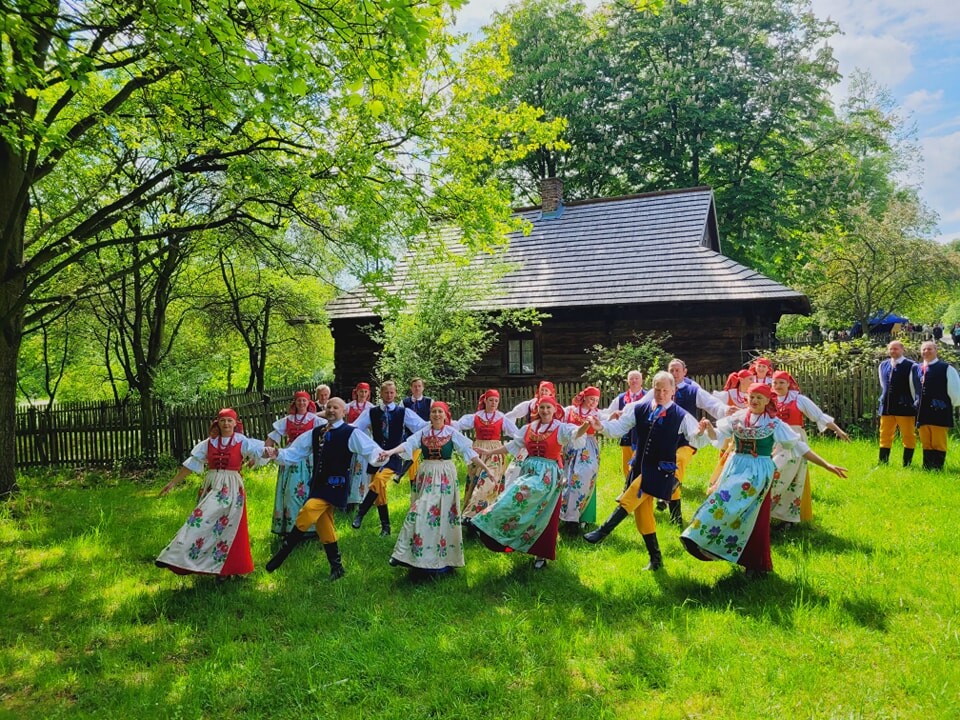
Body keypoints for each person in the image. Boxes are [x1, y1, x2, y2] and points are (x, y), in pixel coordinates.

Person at [681, 384, 847, 576]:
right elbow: (717, 437)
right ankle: (701, 539)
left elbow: (799, 447)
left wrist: (828, 465)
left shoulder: (774, 424)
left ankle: (755, 564)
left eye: (760, 397)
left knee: (753, 517)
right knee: (720, 503)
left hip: (759, 472)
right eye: (752, 396)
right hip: (735, 467)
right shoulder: (737, 418)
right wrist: (708, 428)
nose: (755, 401)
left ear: (768, 400)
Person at [583, 372, 708, 571]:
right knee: (643, 515)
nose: (660, 394)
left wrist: (701, 432)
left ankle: (604, 530)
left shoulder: (681, 415)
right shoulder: (638, 408)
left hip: (661, 471)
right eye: (657, 389)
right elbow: (617, 428)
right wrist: (601, 427)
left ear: (673, 391)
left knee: (633, 492)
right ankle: (656, 559)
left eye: (665, 390)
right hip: (640, 466)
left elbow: (697, 438)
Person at [263, 398, 388, 580]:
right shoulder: (316, 432)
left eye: (335, 407)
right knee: (324, 525)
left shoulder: (350, 432)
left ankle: (283, 553)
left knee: (308, 510)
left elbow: (370, 449)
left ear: (344, 412)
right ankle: (337, 568)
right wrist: (278, 453)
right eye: (328, 407)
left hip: (335, 486)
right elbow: (297, 451)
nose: (331, 410)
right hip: (318, 484)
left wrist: (381, 457)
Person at [471, 395, 590, 570]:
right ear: (537, 410)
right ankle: (490, 524)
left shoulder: (561, 428)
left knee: (541, 511)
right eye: (542, 407)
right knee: (513, 499)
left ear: (555, 410)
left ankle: (540, 555)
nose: (545, 411)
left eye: (548, 408)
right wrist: (489, 453)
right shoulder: (529, 428)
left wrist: (586, 425)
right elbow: (513, 445)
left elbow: (576, 434)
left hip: (548, 474)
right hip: (529, 471)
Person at [156, 409, 266, 579]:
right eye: (223, 421)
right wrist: (172, 483)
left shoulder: (241, 441)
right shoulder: (209, 443)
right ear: (217, 423)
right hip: (212, 485)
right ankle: (175, 555)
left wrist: (256, 458)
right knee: (200, 522)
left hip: (232, 486)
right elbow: (192, 464)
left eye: (230, 421)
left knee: (230, 527)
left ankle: (228, 569)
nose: (226, 424)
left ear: (235, 423)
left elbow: (262, 451)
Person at [383, 401, 491, 575]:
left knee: (442, 516)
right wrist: (389, 452)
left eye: (440, 411)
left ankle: (442, 560)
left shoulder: (451, 433)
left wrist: (486, 470)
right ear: (430, 415)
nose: (436, 414)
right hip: (426, 474)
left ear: (445, 414)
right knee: (419, 511)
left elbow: (469, 452)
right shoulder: (423, 432)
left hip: (445, 475)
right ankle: (408, 554)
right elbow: (408, 444)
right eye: (433, 411)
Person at [769, 371, 849, 525]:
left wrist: (837, 430)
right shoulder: (769, 400)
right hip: (774, 439)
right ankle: (767, 514)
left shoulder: (799, 400)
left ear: (788, 384)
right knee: (773, 475)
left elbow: (818, 416)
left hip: (795, 440)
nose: (778, 386)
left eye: (781, 383)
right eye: (775, 383)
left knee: (791, 477)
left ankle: (787, 519)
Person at [350, 380, 428, 534]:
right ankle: (386, 527)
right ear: (381, 393)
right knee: (379, 492)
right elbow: (355, 426)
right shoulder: (371, 412)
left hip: (394, 455)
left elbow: (420, 425)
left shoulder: (402, 412)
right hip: (376, 455)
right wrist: (338, 428)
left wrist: (439, 422)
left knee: (379, 480)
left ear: (396, 393)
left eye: (392, 392)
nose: (389, 395)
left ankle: (360, 513)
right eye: (386, 392)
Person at [661, 358, 729, 526]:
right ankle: (676, 517)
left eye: (678, 370)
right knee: (671, 471)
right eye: (671, 370)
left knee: (679, 461)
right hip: (665, 438)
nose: (674, 373)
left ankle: (665, 494)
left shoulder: (692, 391)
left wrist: (726, 410)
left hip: (687, 437)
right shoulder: (661, 390)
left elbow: (712, 404)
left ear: (684, 372)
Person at [454, 390, 521, 523]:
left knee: (489, 483)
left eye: (496, 401)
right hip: (478, 451)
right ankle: (474, 520)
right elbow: (457, 425)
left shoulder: (501, 418)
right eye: (491, 400)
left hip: (495, 453)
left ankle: (471, 516)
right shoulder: (476, 417)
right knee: (474, 482)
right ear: (485, 401)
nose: (493, 403)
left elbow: (516, 434)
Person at [265, 391, 324, 536]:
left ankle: (311, 527)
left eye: (304, 401)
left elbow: (328, 430)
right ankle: (290, 527)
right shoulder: (287, 420)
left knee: (309, 488)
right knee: (289, 492)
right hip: (290, 455)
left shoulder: (314, 419)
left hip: (308, 456)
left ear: (309, 403)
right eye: (299, 401)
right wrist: (265, 452)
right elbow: (273, 437)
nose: (301, 403)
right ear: (295, 403)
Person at [910, 341, 960, 469]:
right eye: (924, 349)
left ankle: (937, 468)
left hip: (940, 411)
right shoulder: (916, 368)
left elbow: (955, 390)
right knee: (926, 441)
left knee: (938, 441)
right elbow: (913, 389)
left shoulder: (946, 368)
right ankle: (927, 467)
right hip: (922, 412)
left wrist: (950, 405)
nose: (926, 351)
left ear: (936, 351)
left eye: (929, 349)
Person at [560, 386, 603, 529]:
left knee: (583, 476)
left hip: (588, 447)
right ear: (584, 397)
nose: (593, 402)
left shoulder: (597, 414)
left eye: (596, 400)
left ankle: (580, 516)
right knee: (568, 477)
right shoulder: (570, 411)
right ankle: (565, 516)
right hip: (572, 447)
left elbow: (606, 424)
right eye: (591, 399)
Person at [877, 340, 919, 466]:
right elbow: (883, 385)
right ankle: (883, 463)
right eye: (891, 349)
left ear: (902, 350)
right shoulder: (883, 365)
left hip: (905, 407)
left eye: (896, 349)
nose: (893, 351)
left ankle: (907, 464)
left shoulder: (912, 366)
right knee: (884, 434)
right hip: (887, 407)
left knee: (908, 436)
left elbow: (915, 387)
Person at [604, 370, 645, 483]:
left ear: (642, 381)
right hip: (627, 435)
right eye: (631, 378)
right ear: (627, 381)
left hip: (642, 436)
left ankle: (640, 486)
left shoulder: (647, 397)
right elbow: (609, 413)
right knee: (627, 464)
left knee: (641, 462)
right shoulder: (621, 398)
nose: (634, 380)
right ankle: (628, 485)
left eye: (636, 378)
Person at [345, 382, 375, 509]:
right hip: (351, 437)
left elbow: (375, 425)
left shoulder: (371, 407)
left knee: (363, 467)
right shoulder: (349, 406)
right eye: (361, 391)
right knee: (350, 465)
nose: (363, 394)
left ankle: (362, 497)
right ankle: (349, 498)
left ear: (368, 393)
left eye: (365, 392)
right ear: (356, 392)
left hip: (365, 438)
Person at [401, 377, 433, 481]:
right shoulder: (404, 403)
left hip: (425, 435)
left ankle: (403, 473)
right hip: (409, 435)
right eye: (415, 386)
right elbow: (399, 419)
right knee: (412, 458)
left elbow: (434, 417)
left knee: (416, 456)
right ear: (411, 388)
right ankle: (413, 482)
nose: (417, 388)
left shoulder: (429, 402)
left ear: (423, 388)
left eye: (419, 386)